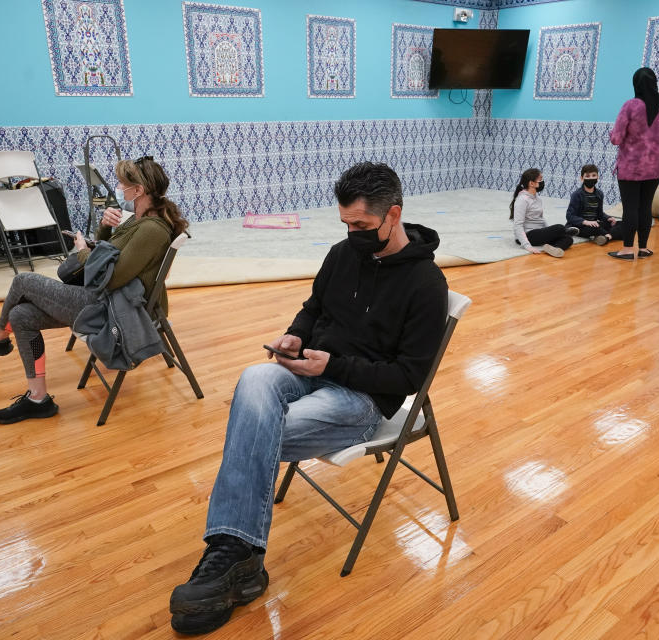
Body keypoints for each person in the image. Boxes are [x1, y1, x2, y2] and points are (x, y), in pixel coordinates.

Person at [167, 162, 448, 635]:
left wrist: (332, 367)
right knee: (255, 378)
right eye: (345, 224)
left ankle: (232, 555)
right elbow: (314, 307)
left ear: (393, 215)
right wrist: (294, 337)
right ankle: (241, 560)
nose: (351, 234)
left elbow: (410, 375)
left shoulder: (426, 284)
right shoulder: (342, 254)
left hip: (360, 399)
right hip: (312, 368)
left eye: (360, 225)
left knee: (251, 433)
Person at [0, 156, 188, 423]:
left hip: (111, 306)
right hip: (105, 297)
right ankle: (38, 398)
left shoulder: (152, 230)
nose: (118, 187)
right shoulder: (137, 219)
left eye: (122, 183)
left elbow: (110, 279)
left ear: (139, 190)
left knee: (23, 282)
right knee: (20, 316)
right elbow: (109, 255)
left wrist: (82, 252)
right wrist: (104, 228)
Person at [608, 67, 659, 260]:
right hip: (655, 166)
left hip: (631, 168)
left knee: (630, 208)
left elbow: (616, 138)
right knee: (645, 207)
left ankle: (627, 249)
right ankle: (644, 248)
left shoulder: (631, 105)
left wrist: (612, 134)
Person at [510, 168, 576, 259]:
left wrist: (550, 232)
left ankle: (555, 248)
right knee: (559, 228)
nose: (542, 181)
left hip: (539, 233)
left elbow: (541, 219)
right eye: (540, 179)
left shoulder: (537, 198)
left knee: (569, 239)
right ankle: (565, 230)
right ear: (531, 183)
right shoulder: (522, 200)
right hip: (528, 235)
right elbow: (517, 225)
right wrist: (527, 246)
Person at [566, 163, 622, 246]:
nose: (591, 178)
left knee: (623, 224)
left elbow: (600, 214)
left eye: (593, 175)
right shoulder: (577, 195)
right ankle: (608, 235)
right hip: (581, 226)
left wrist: (608, 218)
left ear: (597, 177)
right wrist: (585, 222)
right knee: (596, 228)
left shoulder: (599, 194)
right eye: (587, 176)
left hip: (595, 223)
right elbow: (569, 216)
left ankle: (607, 237)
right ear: (582, 178)